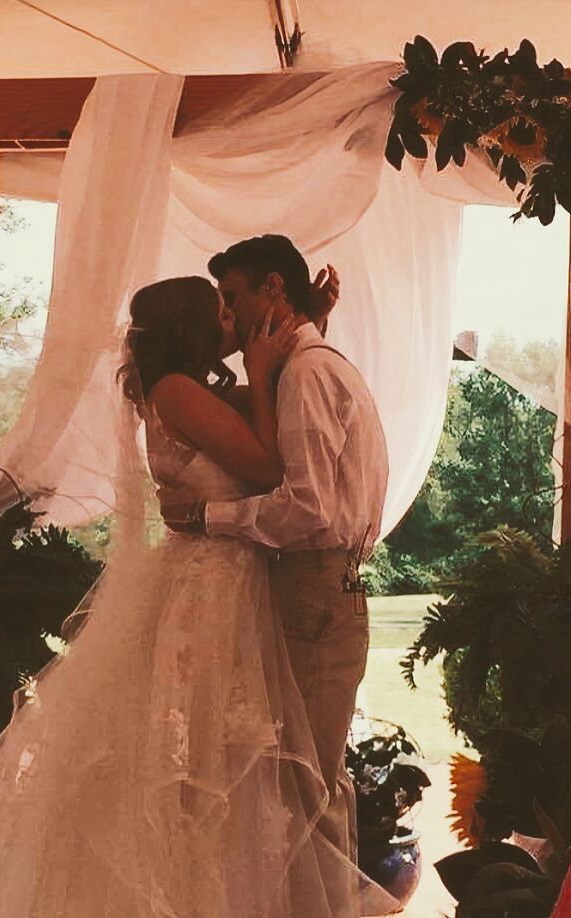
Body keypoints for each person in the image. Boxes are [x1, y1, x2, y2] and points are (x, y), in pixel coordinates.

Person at [0, 275, 394, 918]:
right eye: (222, 310)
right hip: (212, 582)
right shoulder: (176, 391)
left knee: (224, 759)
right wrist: (257, 363)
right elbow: (266, 465)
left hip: (224, 578)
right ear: (196, 327)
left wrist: (298, 341)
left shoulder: (190, 390)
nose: (232, 319)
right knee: (202, 756)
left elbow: (278, 413)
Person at [161, 235, 389, 864]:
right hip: (318, 585)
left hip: (312, 584)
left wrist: (209, 516)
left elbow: (307, 506)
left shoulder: (308, 374)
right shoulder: (311, 364)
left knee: (305, 784)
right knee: (306, 778)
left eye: (232, 297)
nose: (225, 317)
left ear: (273, 291)